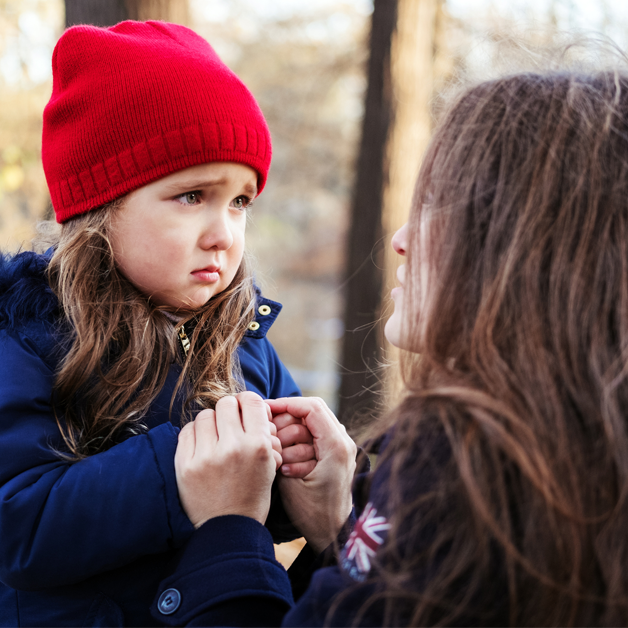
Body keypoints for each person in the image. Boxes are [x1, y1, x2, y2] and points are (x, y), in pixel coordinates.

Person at [152, 65, 628, 626]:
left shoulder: (469, 473)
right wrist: (339, 529)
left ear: (526, 250)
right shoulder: (576, 456)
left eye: (439, 206)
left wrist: (226, 530)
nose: (400, 240)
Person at [0, 20, 316, 627]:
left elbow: (257, 506)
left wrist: (302, 469)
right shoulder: (31, 339)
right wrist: (178, 472)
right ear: (102, 205)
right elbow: (17, 526)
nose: (224, 234)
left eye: (240, 201)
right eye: (191, 195)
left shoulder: (245, 343)